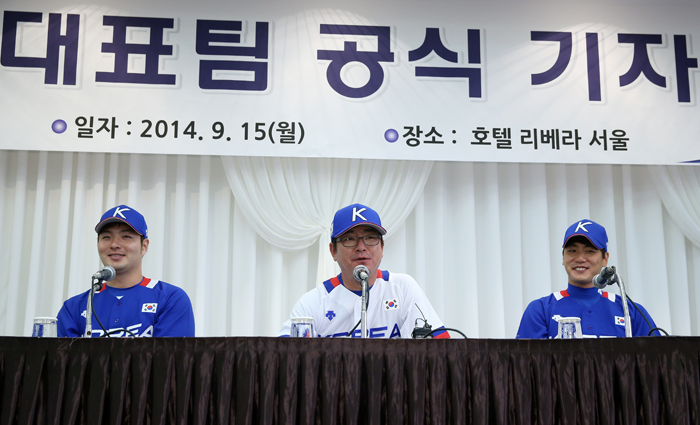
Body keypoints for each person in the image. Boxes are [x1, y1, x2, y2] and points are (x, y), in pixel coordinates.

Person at [279, 203, 449, 338]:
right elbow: (288, 360)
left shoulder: (403, 288)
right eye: (350, 239)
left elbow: (439, 351)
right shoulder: (313, 303)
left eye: (370, 238)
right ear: (333, 251)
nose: (361, 247)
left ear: (382, 247)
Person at [57, 205, 195, 337]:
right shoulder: (74, 307)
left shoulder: (170, 299)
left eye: (126, 237)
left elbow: (169, 359)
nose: (115, 244)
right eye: (106, 237)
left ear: (144, 246)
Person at [516, 219, 659, 338]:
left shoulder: (629, 311)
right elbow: (526, 366)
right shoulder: (540, 309)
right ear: (563, 258)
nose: (580, 258)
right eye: (572, 251)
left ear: (605, 259)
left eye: (590, 251)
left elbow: (657, 363)